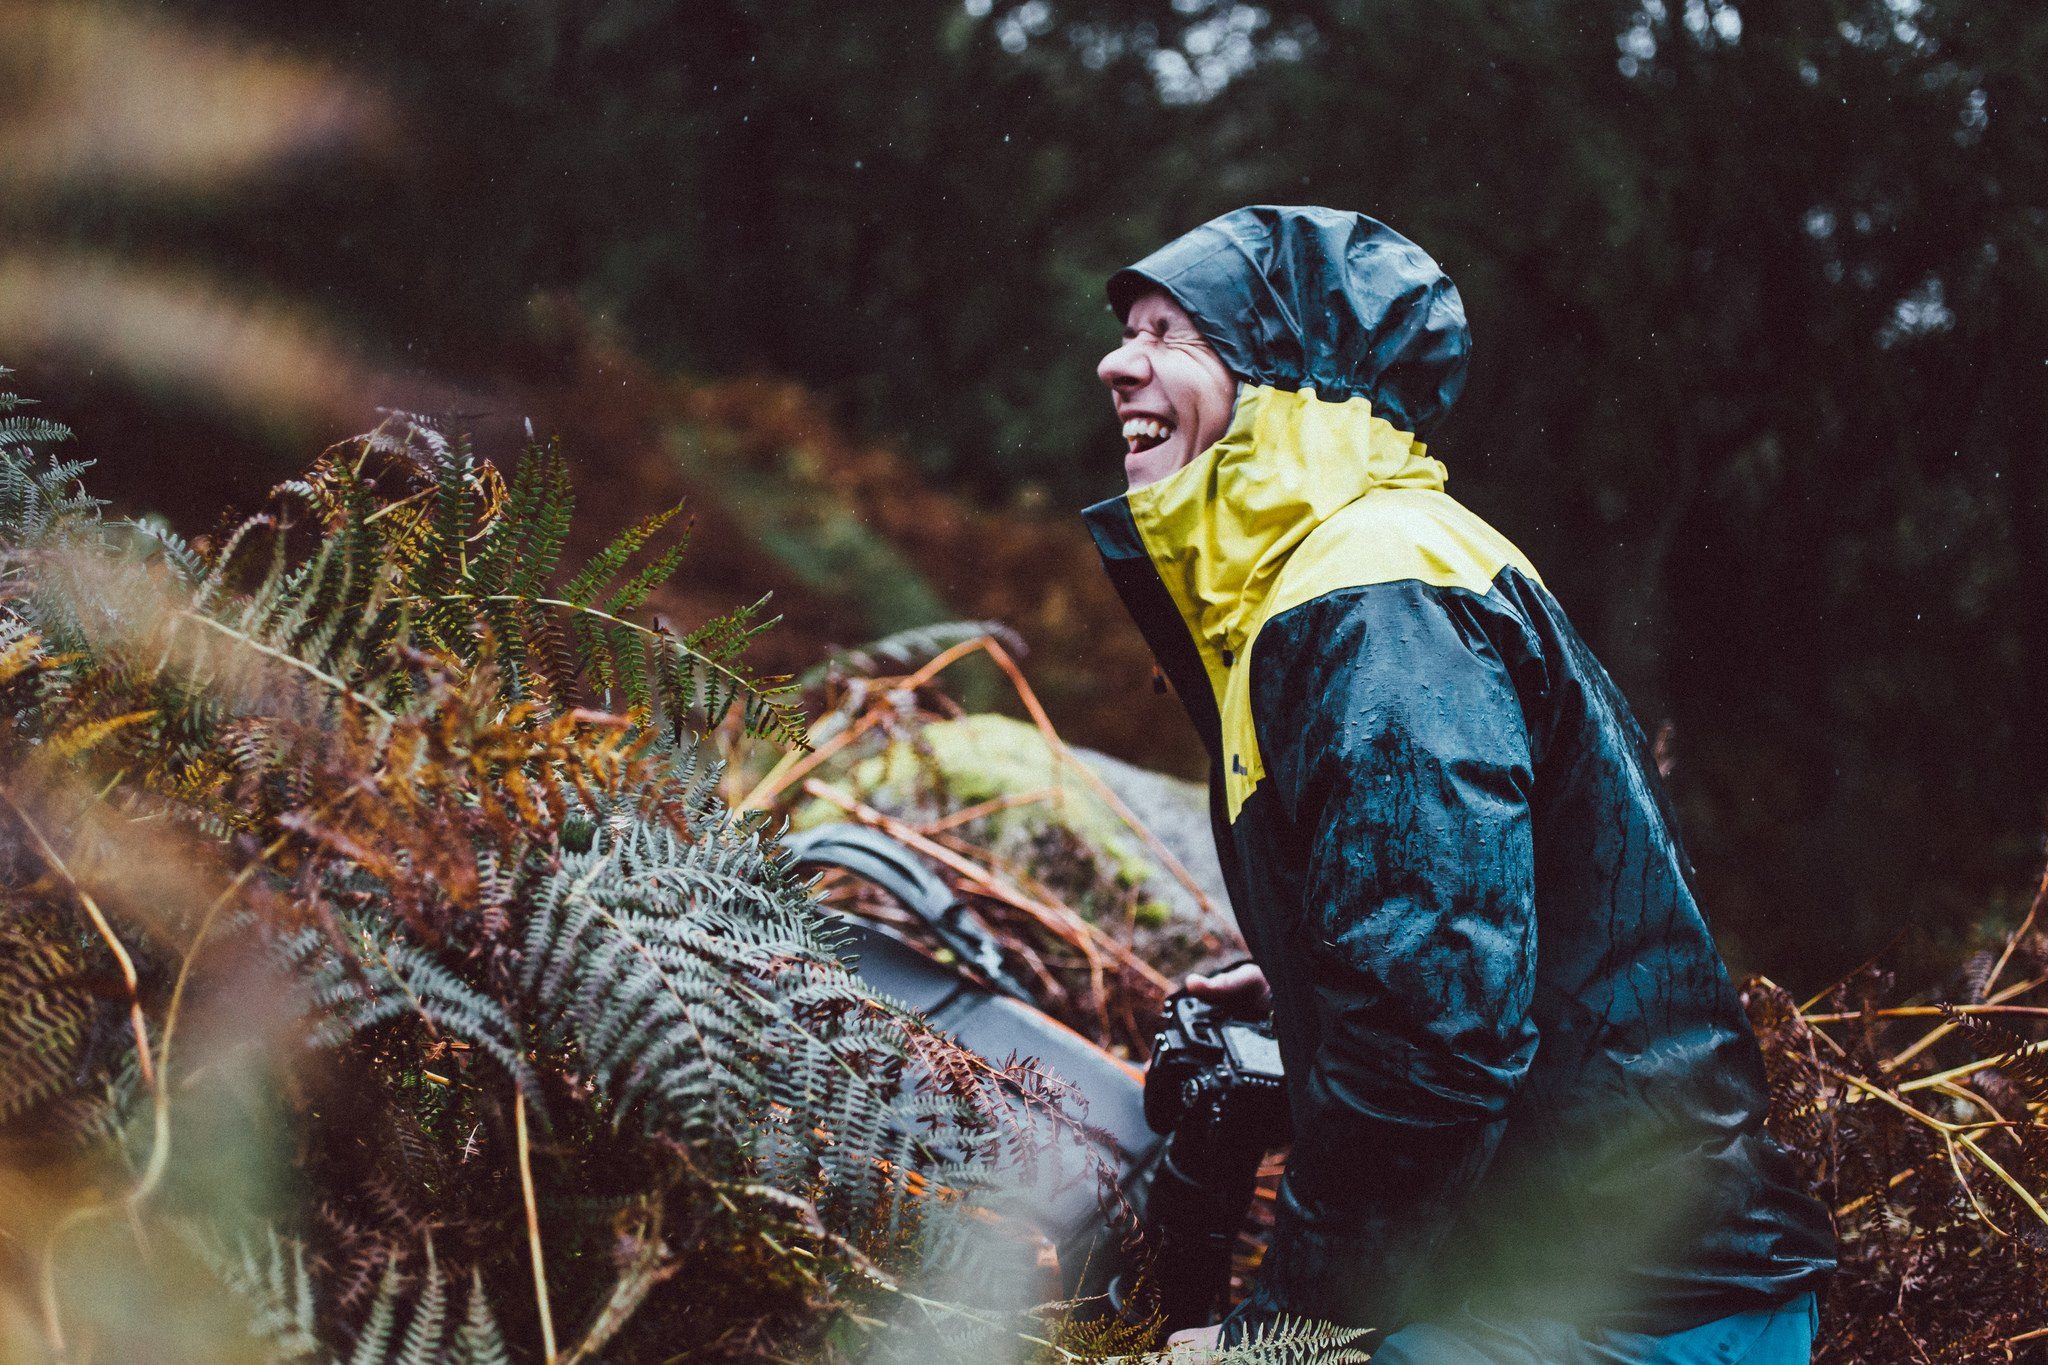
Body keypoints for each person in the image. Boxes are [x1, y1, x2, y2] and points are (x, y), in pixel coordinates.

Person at [1082, 206, 1835, 1362]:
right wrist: (1316, 979)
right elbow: (1473, 938)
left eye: (1168, 333)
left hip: (1633, 1312)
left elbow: (1430, 1039)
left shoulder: (1374, 598)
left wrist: (1283, 1336)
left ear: (1286, 374)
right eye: (1127, 331)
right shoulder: (1351, 575)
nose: (1115, 362)